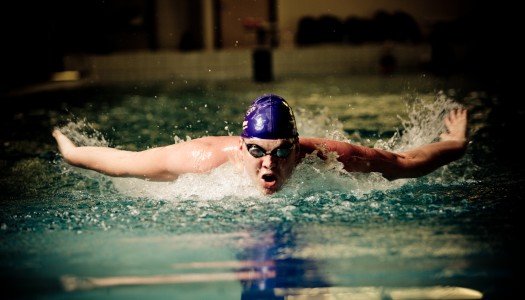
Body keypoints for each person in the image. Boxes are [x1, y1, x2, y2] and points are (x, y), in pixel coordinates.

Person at [52, 94, 468, 195]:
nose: (269, 163)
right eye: (257, 150)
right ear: (241, 146)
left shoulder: (327, 158)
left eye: (282, 151)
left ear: (297, 146)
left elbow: (405, 161)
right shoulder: (204, 158)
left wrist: (455, 142)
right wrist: (71, 152)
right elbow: (126, 162)